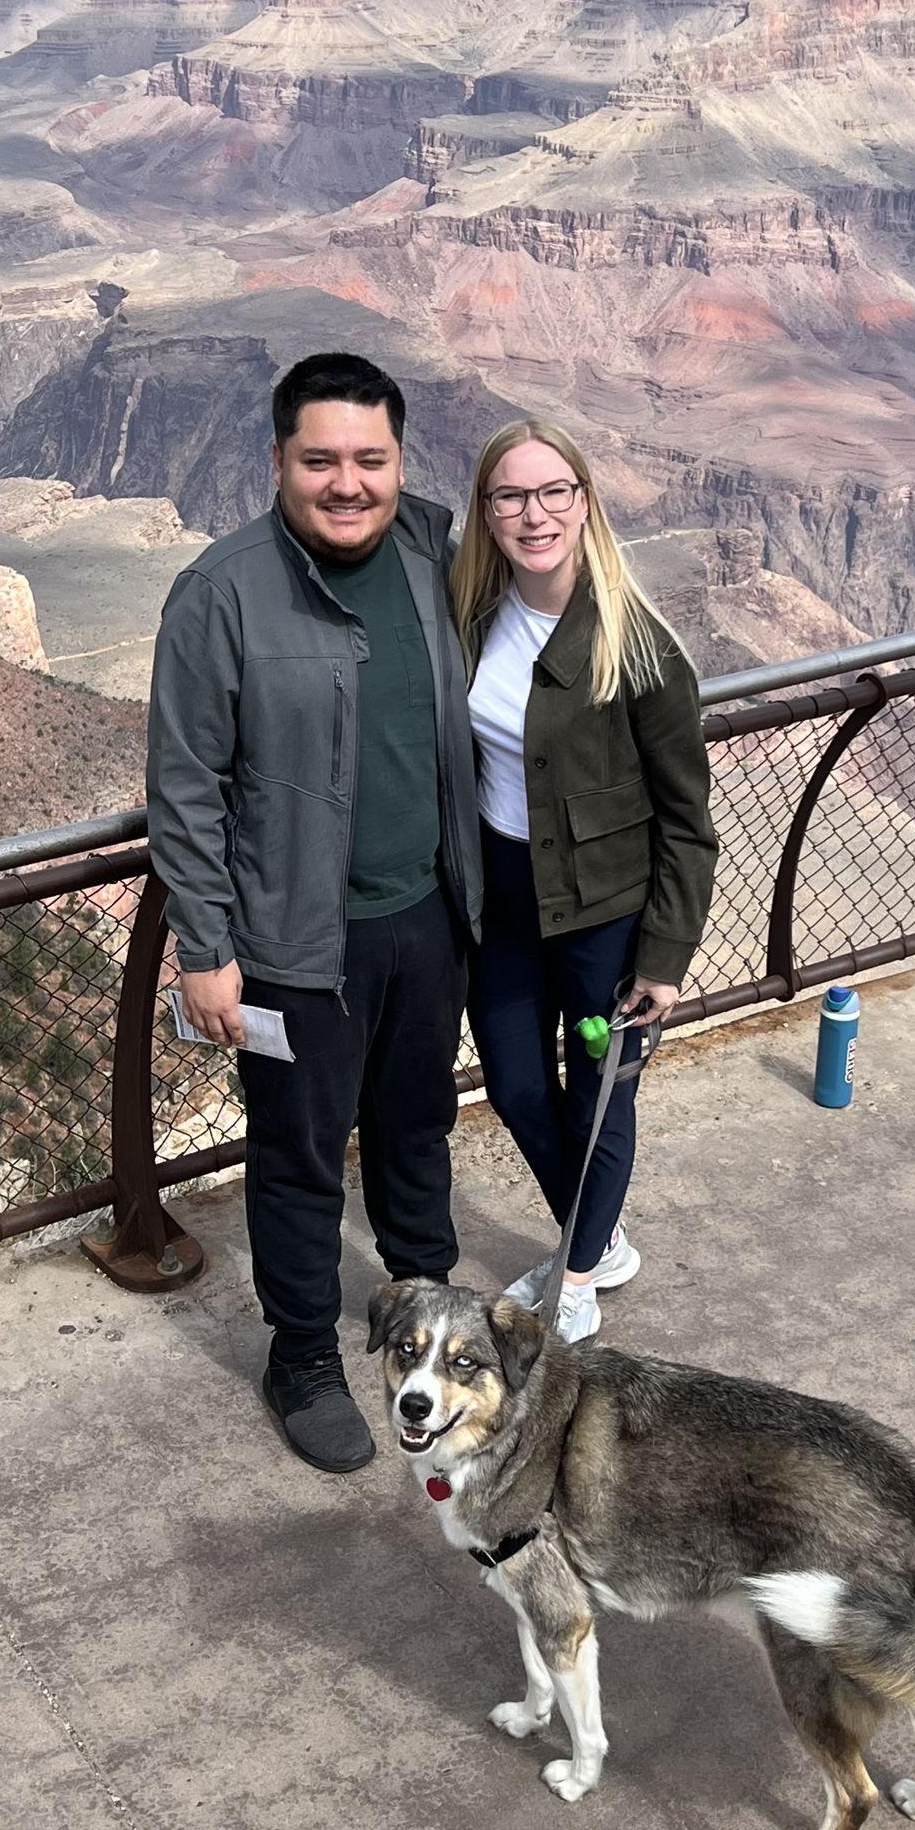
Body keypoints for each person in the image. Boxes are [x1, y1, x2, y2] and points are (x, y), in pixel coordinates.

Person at [146, 353, 483, 1473]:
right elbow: (184, 783)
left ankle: (427, 1314)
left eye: (369, 459)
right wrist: (207, 946)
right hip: (295, 942)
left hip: (427, 914)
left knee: (415, 1125)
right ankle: (300, 1356)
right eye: (320, 459)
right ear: (279, 459)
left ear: (400, 459)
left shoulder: (440, 549)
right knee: (296, 1156)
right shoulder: (222, 590)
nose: (348, 483)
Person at [450, 419, 716, 1342]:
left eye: (554, 491)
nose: (535, 514)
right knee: (519, 1086)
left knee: (601, 1095)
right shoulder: (473, 616)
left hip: (607, 919)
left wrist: (666, 955)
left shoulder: (637, 647)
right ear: (486, 513)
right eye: (511, 496)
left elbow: (688, 820)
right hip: (509, 906)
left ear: (585, 501)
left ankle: (573, 1269)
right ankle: (598, 1240)